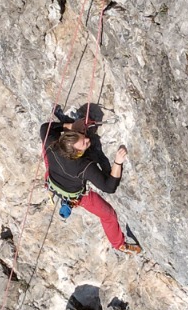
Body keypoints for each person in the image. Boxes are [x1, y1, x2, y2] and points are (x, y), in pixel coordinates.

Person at [40, 105, 140, 253]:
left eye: (83, 137)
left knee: (46, 149)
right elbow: (109, 187)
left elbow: (44, 128)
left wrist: (71, 125)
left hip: (52, 180)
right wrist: (118, 161)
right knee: (108, 215)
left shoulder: (51, 144)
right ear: (77, 154)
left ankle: (69, 128)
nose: (87, 139)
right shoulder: (84, 166)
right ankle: (119, 244)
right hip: (76, 196)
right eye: (84, 144)